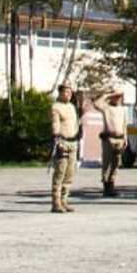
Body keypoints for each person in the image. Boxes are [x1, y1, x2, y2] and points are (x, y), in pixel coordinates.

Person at [50, 84, 79, 213]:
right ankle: (56, 202)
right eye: (66, 92)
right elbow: (55, 124)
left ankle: (64, 200)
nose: (69, 94)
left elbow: (75, 124)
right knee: (60, 173)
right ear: (61, 93)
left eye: (70, 92)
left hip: (73, 141)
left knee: (70, 174)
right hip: (62, 141)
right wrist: (57, 139)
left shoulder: (72, 107)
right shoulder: (56, 107)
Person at [93, 89, 126, 198]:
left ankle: (112, 183)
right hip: (109, 138)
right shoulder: (106, 107)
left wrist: (125, 138)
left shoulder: (122, 109)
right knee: (107, 163)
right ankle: (106, 186)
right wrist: (108, 94)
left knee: (116, 163)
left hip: (119, 138)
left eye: (119, 96)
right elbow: (96, 104)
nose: (117, 98)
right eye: (115, 96)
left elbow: (124, 124)